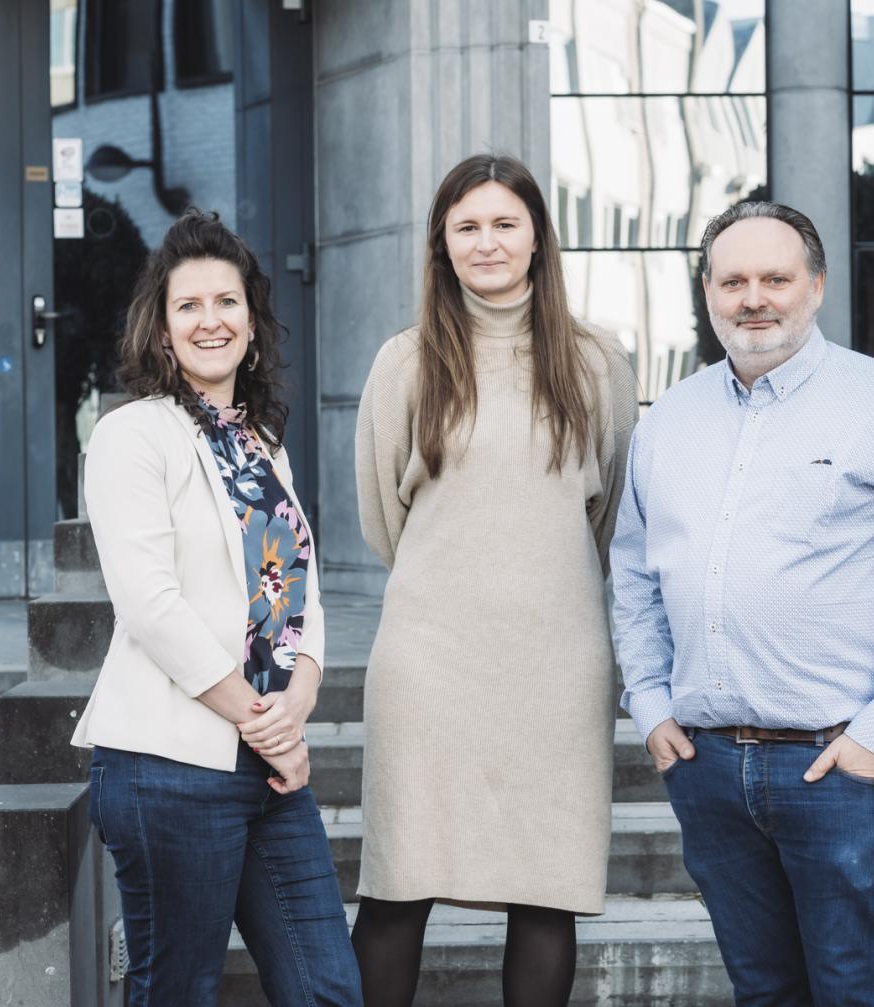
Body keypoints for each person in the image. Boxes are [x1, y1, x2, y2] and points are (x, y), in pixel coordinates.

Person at [610, 200, 874, 1006]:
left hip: (839, 766)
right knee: (763, 991)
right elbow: (633, 574)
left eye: (775, 278)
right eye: (733, 280)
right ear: (708, 292)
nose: (754, 298)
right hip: (708, 766)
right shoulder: (667, 422)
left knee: (854, 992)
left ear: (816, 285)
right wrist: (649, 701)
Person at [351, 153, 640, 1006]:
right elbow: (383, 515)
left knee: (546, 890)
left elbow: (610, 510)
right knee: (398, 885)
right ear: (441, 242)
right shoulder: (404, 363)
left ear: (538, 237)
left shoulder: (597, 361)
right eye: (467, 226)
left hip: (556, 661)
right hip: (430, 659)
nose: (487, 242)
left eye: (505, 223)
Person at [71, 209, 362, 1006]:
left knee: (327, 988)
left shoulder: (261, 440)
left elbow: (294, 586)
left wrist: (298, 699)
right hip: (168, 767)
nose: (211, 320)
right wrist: (261, 722)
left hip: (267, 764)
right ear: (163, 330)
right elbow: (150, 604)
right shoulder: (132, 435)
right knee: (178, 992)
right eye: (189, 305)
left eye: (227, 302)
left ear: (252, 322)